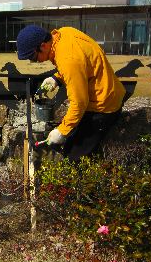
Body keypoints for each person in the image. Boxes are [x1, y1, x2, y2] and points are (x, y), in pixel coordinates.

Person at [16, 25, 125, 162]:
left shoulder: (68, 59)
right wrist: (57, 78)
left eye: (33, 56)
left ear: (43, 46)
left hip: (102, 107)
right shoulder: (64, 33)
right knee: (73, 144)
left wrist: (62, 131)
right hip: (106, 93)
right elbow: (82, 63)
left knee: (75, 157)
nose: (34, 61)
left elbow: (79, 103)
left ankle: (83, 181)